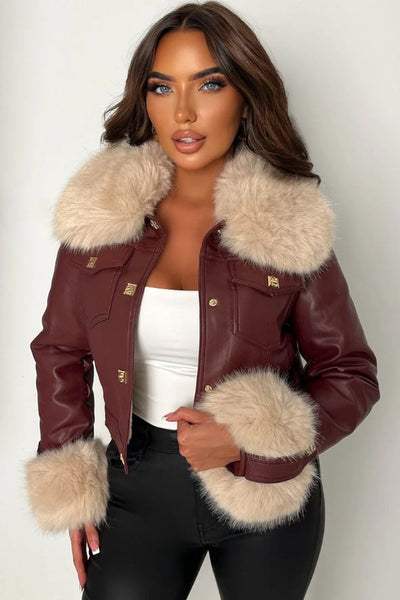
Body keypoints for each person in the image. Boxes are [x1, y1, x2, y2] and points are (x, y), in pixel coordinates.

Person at [25, 2, 380, 599]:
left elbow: (350, 374)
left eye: (210, 84)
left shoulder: (288, 222)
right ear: (145, 99)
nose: (183, 112)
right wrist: (71, 482)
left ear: (246, 95)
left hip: (266, 495)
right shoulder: (101, 212)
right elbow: (59, 348)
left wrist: (247, 442)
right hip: (136, 488)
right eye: (162, 87)